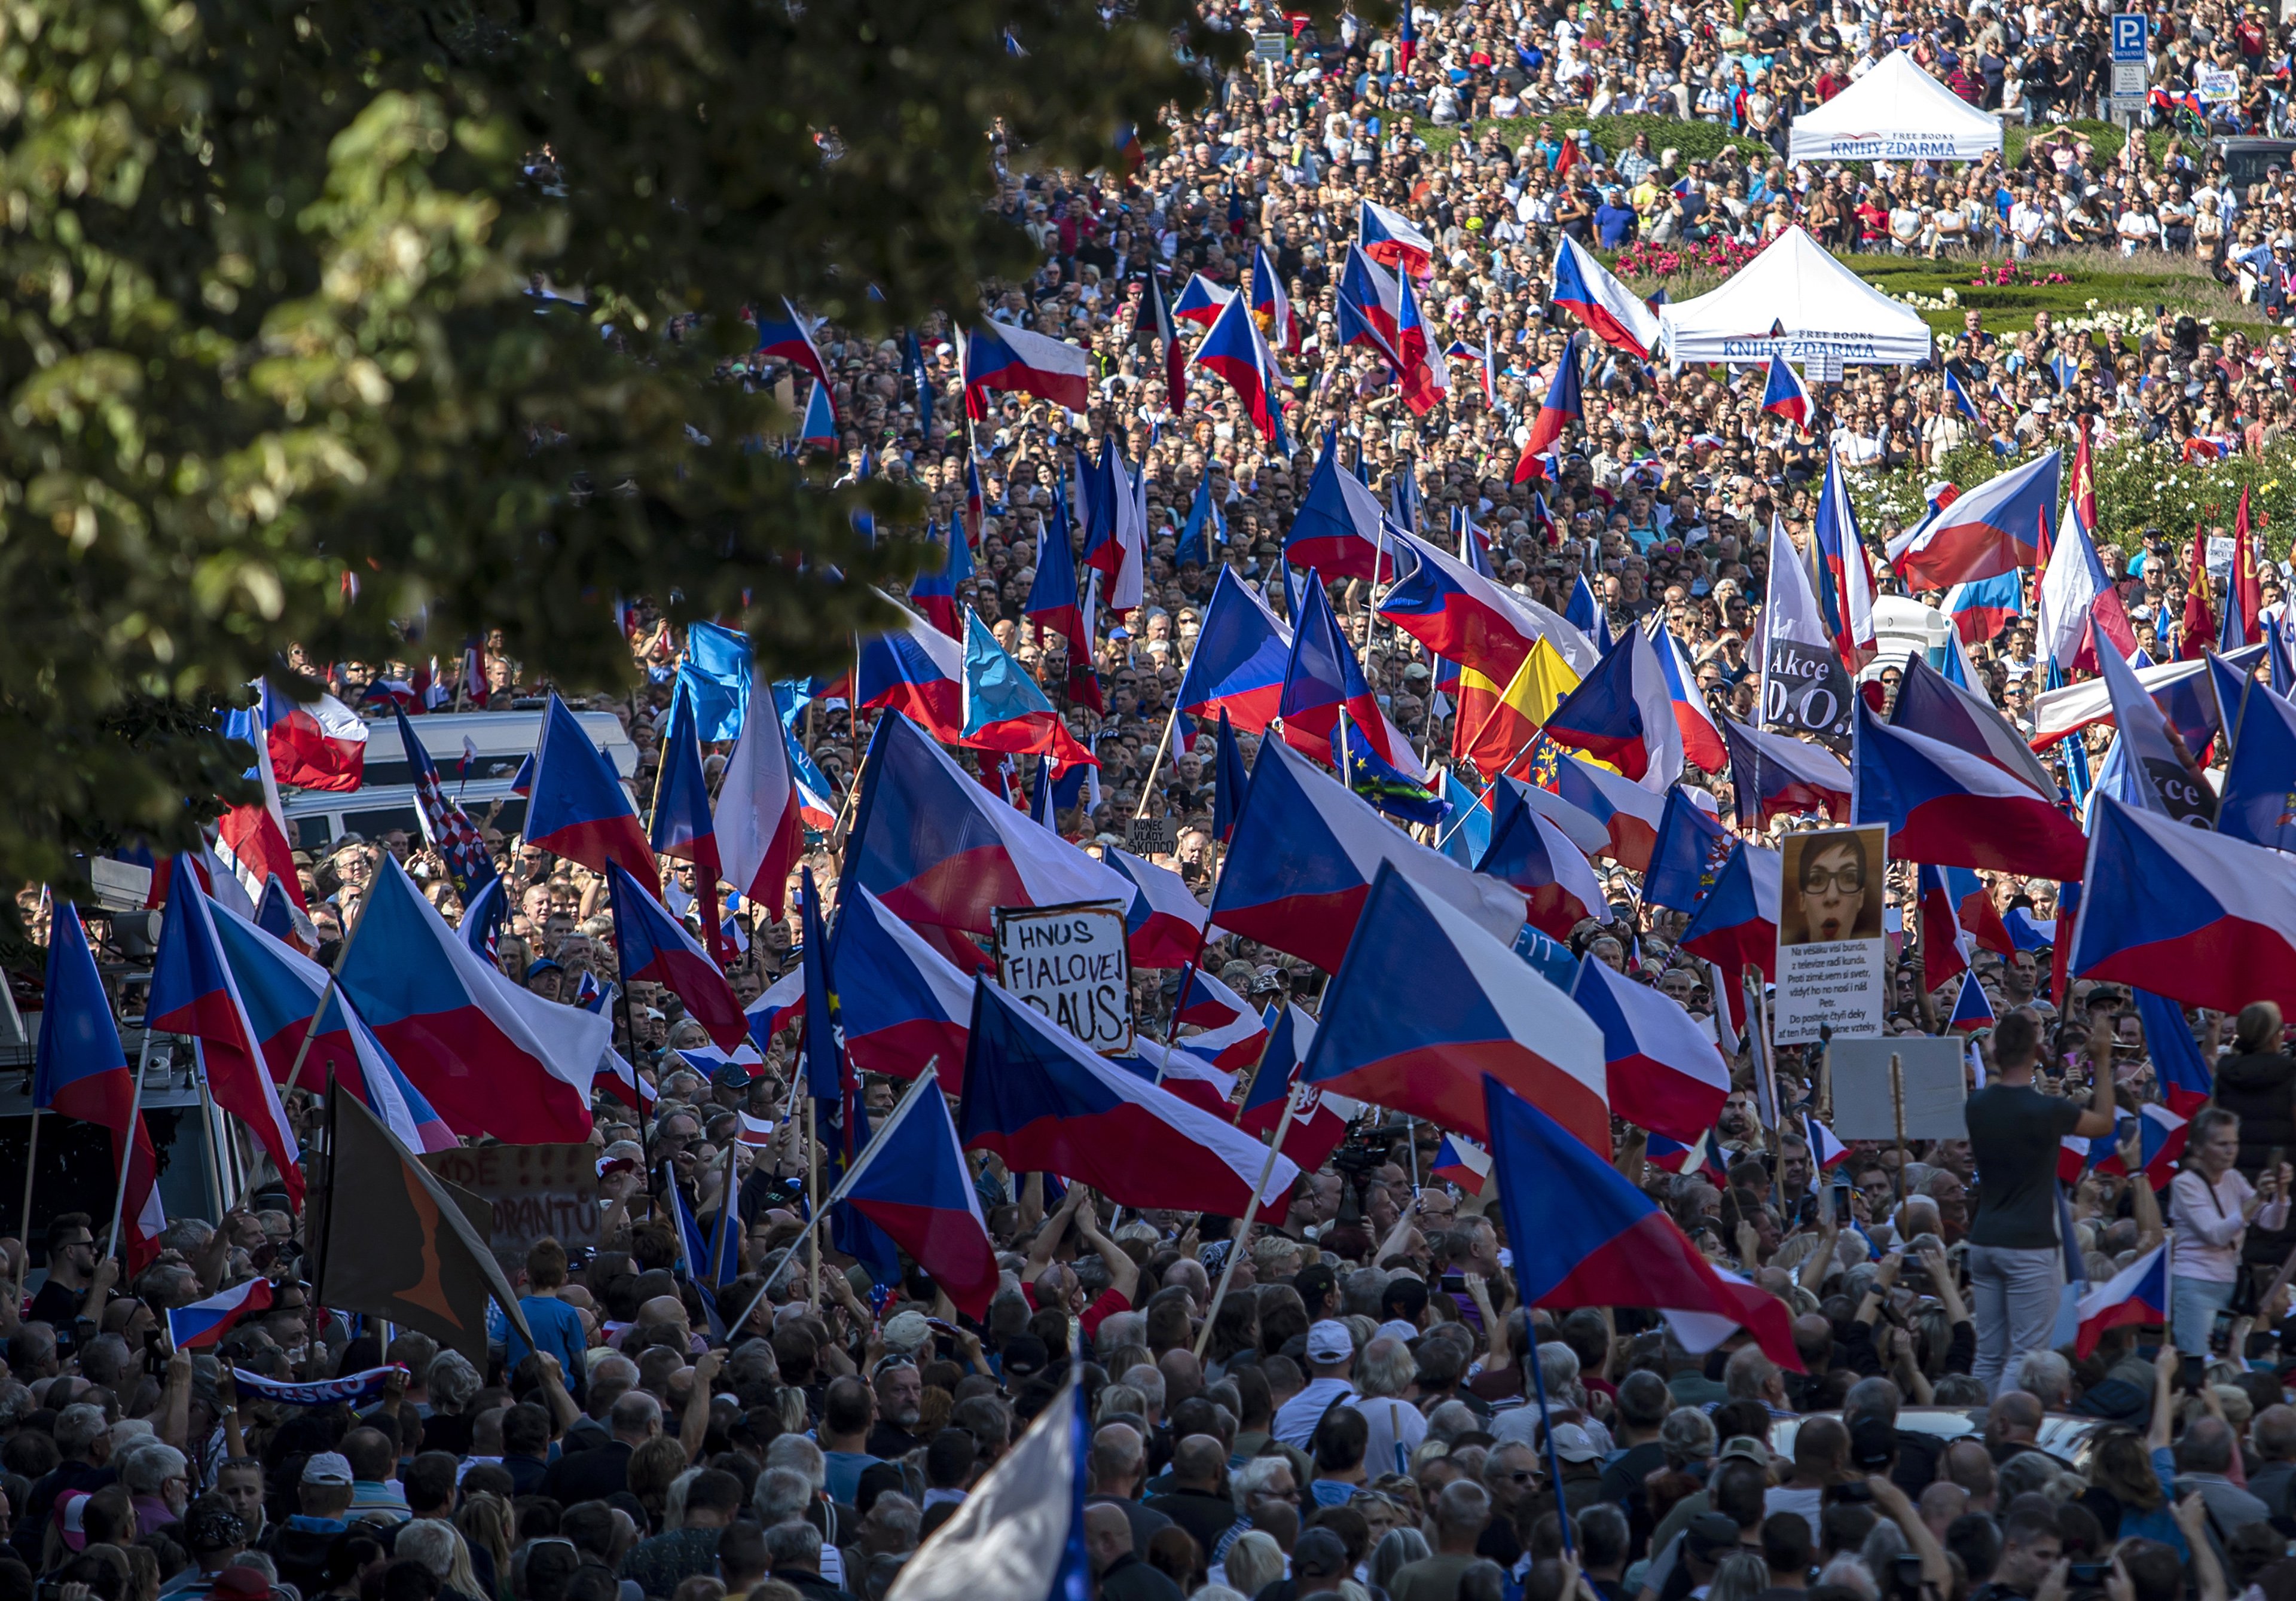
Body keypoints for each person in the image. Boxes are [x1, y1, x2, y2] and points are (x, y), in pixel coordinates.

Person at [1963, 1007, 2117, 1395]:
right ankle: (2004, 1437)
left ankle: (1978, 1434)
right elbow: (2104, 1123)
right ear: (2037, 1054)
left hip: (1983, 1240)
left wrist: (1991, 1061)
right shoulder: (2049, 1110)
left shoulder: (1976, 1106)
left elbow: (1995, 1089)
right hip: (2029, 1244)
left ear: (1995, 1053)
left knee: (1988, 1354)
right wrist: (2101, 1059)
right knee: (2025, 1354)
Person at [2168, 1107, 2290, 1352]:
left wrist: (2281, 1193)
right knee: (2199, 1358)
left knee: (2224, 1357)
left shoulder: (2233, 1178)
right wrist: (2257, 1198)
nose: (2230, 1150)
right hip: (2196, 1285)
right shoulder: (2184, 1185)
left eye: (2234, 1143)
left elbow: (2272, 1222)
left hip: (2230, 1285)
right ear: (2199, 1148)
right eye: (2222, 1144)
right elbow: (2216, 1234)